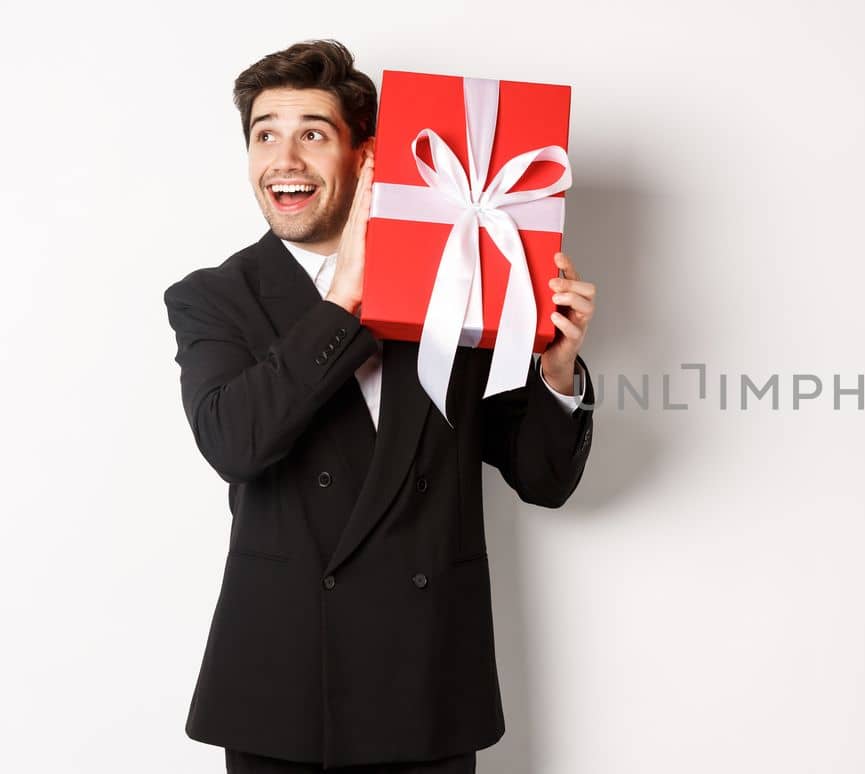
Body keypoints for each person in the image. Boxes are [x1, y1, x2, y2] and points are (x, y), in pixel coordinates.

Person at [161, 39, 598, 772]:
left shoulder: (457, 282)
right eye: (265, 133)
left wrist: (556, 369)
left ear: (367, 157)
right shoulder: (214, 297)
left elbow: (544, 480)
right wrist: (346, 298)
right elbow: (235, 442)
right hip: (285, 689)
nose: (284, 158)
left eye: (312, 134)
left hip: (425, 680)